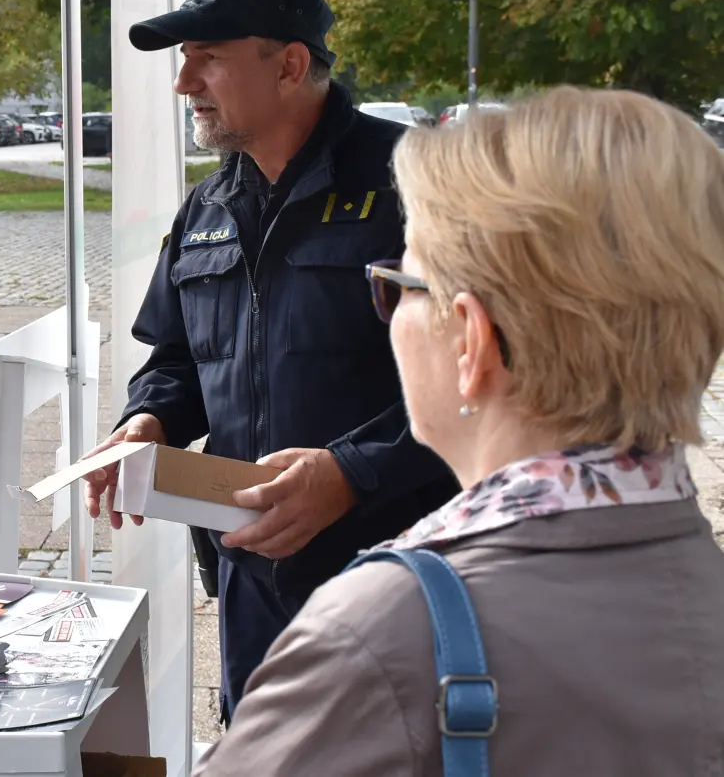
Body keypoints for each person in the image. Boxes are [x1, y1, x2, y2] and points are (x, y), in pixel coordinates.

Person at [195, 87, 724, 775]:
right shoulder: (697, 583)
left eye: (396, 284)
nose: (388, 315)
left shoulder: (381, 633)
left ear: (471, 339)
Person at [83, 0, 458, 721]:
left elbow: (490, 375)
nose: (184, 82)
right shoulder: (209, 203)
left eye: (208, 56)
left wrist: (351, 473)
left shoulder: (423, 185)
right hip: (250, 575)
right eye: (184, 60)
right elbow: (178, 358)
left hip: (397, 572)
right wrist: (147, 421)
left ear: (290, 65)